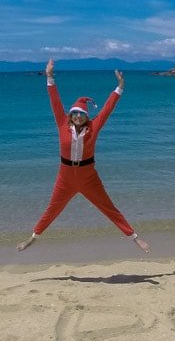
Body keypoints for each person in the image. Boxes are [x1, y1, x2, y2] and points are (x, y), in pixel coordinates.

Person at [17, 59, 150, 253]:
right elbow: (55, 101)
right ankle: (33, 238)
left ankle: (135, 238)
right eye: (75, 113)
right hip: (66, 177)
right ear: (70, 115)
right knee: (52, 210)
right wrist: (50, 76)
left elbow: (107, 110)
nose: (78, 116)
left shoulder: (93, 127)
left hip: (88, 177)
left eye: (82, 114)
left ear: (87, 117)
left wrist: (119, 88)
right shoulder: (62, 124)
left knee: (108, 208)